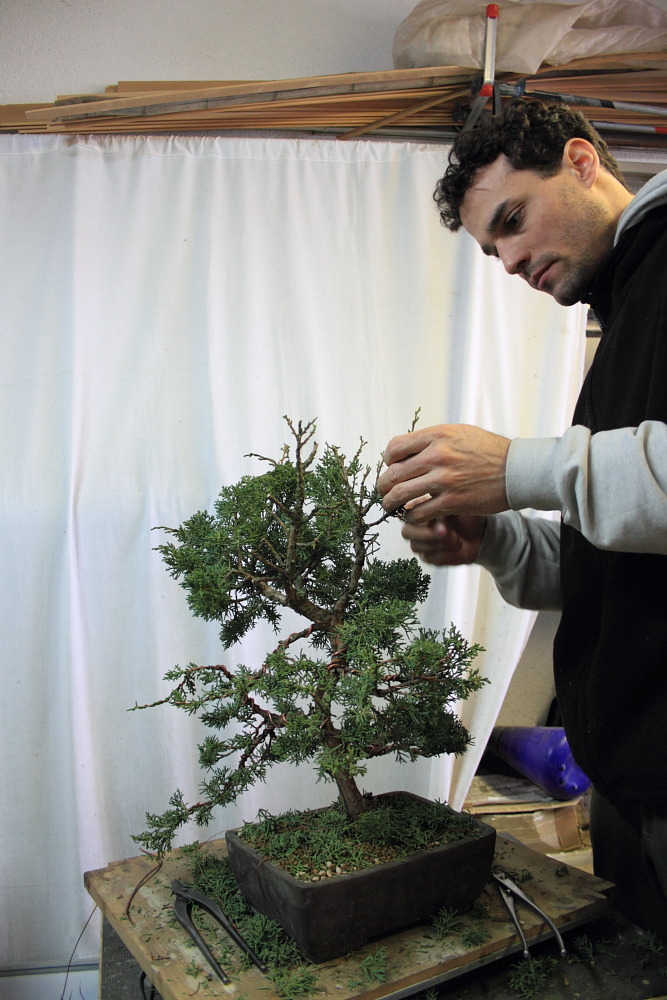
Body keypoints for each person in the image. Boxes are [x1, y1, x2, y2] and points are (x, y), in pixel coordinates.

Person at [376, 100, 667, 938]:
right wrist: (492, 537)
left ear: (580, 161)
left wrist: (513, 469)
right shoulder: (625, 306)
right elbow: (616, 558)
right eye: (489, 248)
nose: (506, 261)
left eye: (511, 220)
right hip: (630, 780)